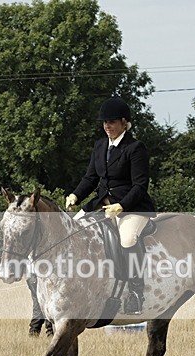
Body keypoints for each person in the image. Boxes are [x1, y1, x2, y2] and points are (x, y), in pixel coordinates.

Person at [65, 97, 156, 315]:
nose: (107, 126)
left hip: (132, 207)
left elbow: (140, 185)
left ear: (124, 123)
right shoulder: (100, 146)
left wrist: (122, 206)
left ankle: (136, 292)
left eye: (112, 122)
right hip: (101, 205)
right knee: (71, 232)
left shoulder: (135, 148)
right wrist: (76, 195)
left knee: (127, 240)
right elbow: (91, 178)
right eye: (105, 122)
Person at [26, 272, 54, 337]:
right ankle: (50, 333)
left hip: (35, 277)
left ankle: (34, 333)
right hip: (39, 277)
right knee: (43, 305)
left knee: (40, 305)